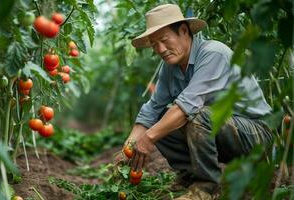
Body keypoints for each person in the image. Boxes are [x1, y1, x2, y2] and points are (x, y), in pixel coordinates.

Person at [115, 4, 273, 200]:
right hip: (221, 132)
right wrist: (128, 147)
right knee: (162, 119)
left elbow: (187, 107)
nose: (161, 49)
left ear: (183, 31)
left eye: (164, 40)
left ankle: (207, 187)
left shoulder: (213, 53)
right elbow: (151, 110)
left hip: (255, 134)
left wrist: (147, 139)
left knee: (193, 114)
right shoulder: (170, 67)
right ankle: (190, 178)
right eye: (155, 44)